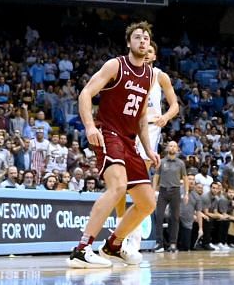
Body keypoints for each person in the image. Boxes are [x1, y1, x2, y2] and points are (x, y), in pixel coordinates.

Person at [70, 22, 179, 267]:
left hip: (130, 141)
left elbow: (141, 116)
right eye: (138, 37)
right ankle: (82, 248)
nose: (143, 41)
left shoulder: (151, 76)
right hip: (108, 132)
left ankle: (113, 245)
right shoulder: (115, 65)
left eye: (146, 38)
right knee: (117, 187)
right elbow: (85, 94)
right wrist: (89, 126)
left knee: (148, 202)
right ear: (129, 42)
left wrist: (149, 148)